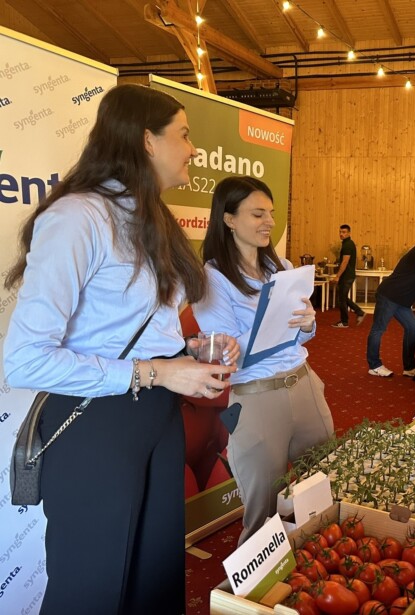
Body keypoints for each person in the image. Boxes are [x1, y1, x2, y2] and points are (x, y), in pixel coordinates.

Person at [2, 84, 239, 614]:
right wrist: (156, 372)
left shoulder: (152, 216)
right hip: (94, 426)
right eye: (184, 134)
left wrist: (195, 350)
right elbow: (24, 358)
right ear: (146, 141)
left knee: (152, 582)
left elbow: (142, 328)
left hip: (155, 419)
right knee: (92, 589)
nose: (194, 149)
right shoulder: (77, 217)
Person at [192, 176, 334, 545]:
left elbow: (302, 336)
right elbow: (226, 355)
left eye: (270, 213)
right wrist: (258, 333)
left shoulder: (281, 265)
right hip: (257, 397)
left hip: (304, 383)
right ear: (228, 219)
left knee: (319, 490)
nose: (269, 221)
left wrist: (308, 323)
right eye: (257, 214)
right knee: (262, 512)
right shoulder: (211, 278)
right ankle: (251, 598)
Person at [366, 229, 415, 377]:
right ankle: (374, 365)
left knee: (413, 327)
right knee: (379, 329)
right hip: (389, 296)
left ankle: (409, 367)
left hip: (401, 301)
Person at [331, 224, 365, 328]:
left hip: (347, 276)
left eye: (344, 232)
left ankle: (344, 322)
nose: (341, 234)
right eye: (340, 232)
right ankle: (359, 312)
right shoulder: (347, 244)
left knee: (342, 299)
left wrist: (337, 276)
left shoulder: (348, 245)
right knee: (343, 298)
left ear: (349, 233)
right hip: (348, 275)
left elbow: (345, 262)